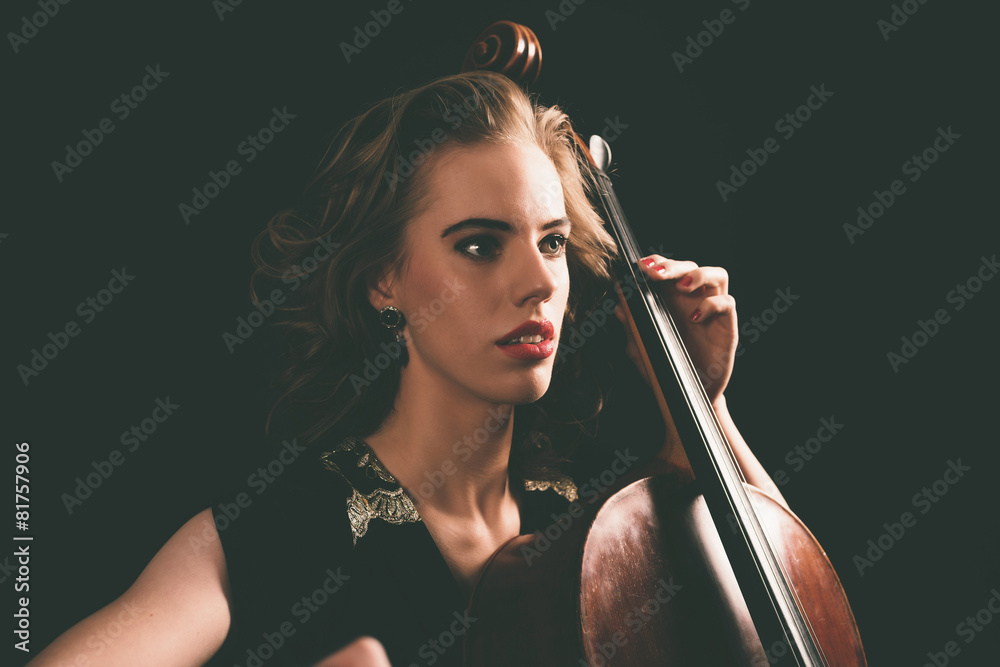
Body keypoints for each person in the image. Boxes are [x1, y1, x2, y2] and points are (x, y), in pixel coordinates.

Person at [26, 70, 786, 667]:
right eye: (481, 244)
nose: (536, 283)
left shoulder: (607, 508)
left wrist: (706, 405)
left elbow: (790, 632)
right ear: (383, 281)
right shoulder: (280, 530)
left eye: (552, 242)